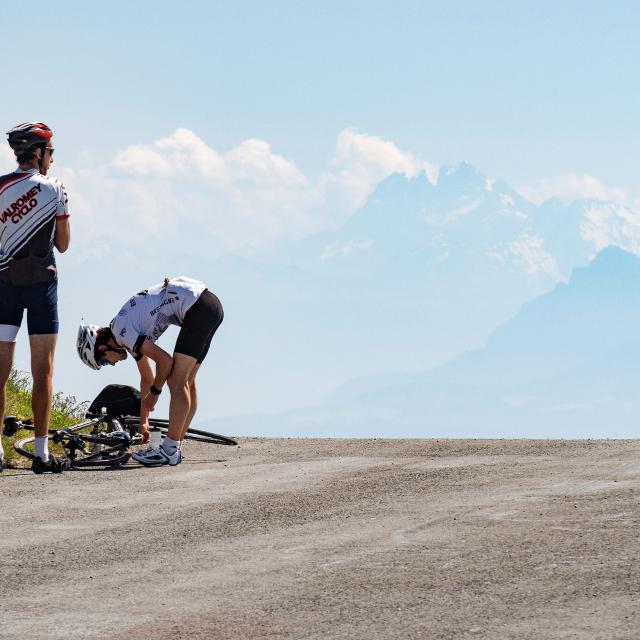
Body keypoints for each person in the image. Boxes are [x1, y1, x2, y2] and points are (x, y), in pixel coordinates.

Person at [76, 276, 223, 467]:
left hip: (198, 308)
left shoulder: (123, 332)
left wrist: (155, 393)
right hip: (209, 306)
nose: (110, 365)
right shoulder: (122, 333)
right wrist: (144, 421)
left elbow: (165, 361)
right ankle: (174, 446)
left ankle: (170, 450)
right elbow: (147, 377)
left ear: (103, 348)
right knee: (186, 381)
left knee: (176, 381)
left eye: (103, 362)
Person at [0, 122, 71, 474]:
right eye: (51, 153)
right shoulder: (54, 188)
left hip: (3, 286)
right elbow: (63, 243)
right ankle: (41, 453)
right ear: (39, 153)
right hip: (42, 285)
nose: (52, 159)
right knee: (42, 370)